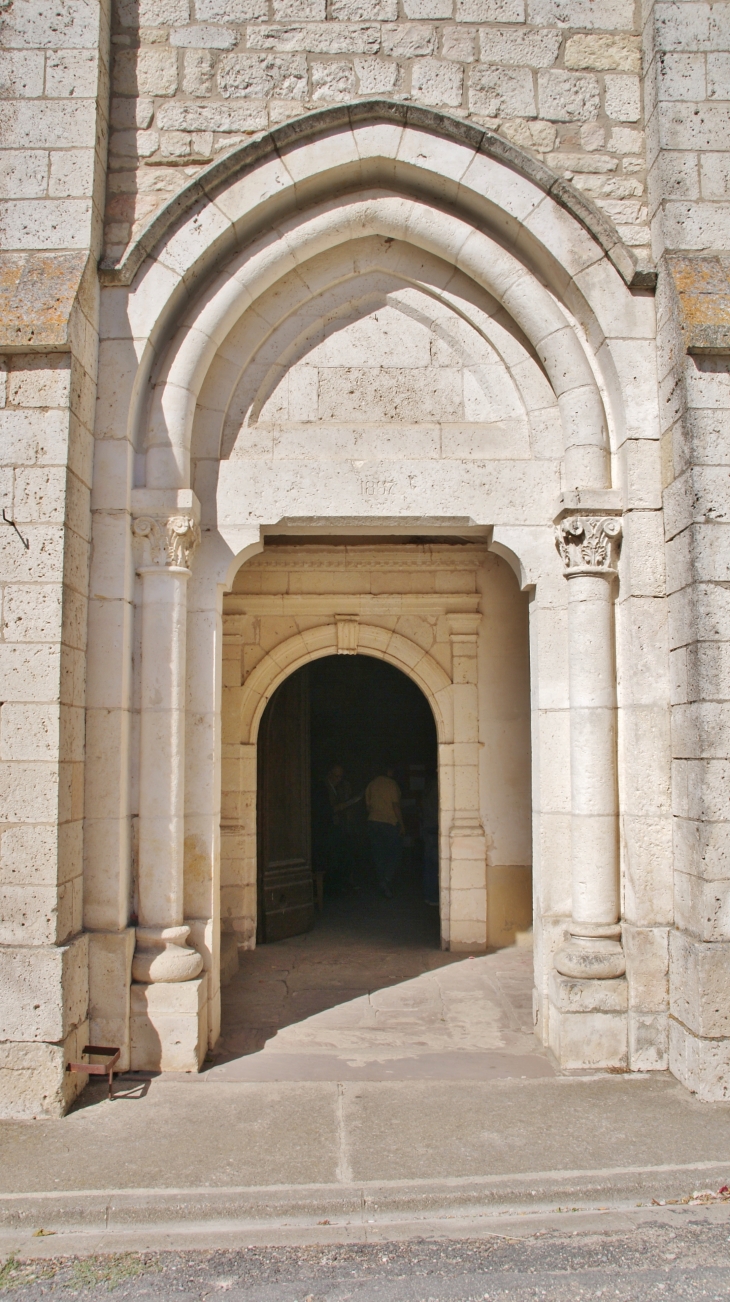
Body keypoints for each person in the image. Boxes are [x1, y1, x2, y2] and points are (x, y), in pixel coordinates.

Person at [312, 764, 361, 893]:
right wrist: (344, 805)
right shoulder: (322, 788)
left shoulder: (337, 788)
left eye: (340, 777)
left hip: (335, 828)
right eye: (336, 776)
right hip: (324, 830)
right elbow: (325, 810)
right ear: (329, 774)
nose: (338, 779)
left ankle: (339, 885)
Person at [365, 765, 404, 898]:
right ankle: (386, 880)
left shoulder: (371, 784)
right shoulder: (392, 784)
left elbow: (368, 806)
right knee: (394, 853)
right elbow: (395, 805)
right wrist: (402, 824)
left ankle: (382, 881)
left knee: (378, 855)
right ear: (389, 770)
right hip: (390, 824)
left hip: (374, 823)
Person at [421, 772, 439, 906]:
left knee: (429, 865)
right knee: (435, 864)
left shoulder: (426, 792)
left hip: (427, 828)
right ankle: (434, 896)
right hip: (435, 828)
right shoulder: (438, 790)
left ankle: (429, 895)